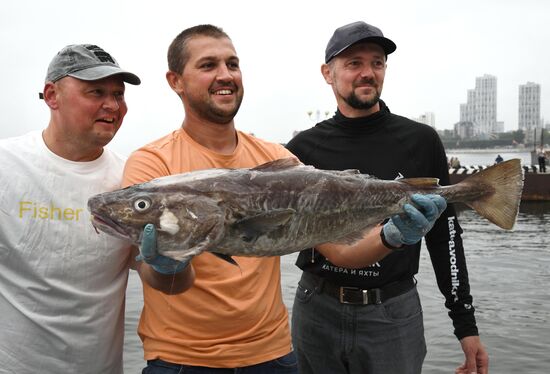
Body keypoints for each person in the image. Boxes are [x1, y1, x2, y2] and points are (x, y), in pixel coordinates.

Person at [123, 24, 444, 373]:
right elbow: (158, 279)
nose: (225, 75)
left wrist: (393, 237)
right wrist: (168, 264)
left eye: (232, 64)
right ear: (176, 81)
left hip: (272, 355)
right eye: (208, 65)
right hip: (182, 360)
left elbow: (340, 251)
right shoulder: (152, 166)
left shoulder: (279, 160)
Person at [286, 21, 489, 374]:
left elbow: (446, 238)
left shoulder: (421, 141)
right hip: (316, 307)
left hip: (393, 314)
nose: (367, 73)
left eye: (377, 62)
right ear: (327, 73)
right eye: (354, 63)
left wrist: (465, 325)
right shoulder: (302, 150)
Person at [0, 44, 141, 373]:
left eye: (119, 94)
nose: (112, 105)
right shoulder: (6, 165)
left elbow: (154, 273)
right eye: (96, 91)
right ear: (52, 95)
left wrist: (171, 260)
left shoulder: (129, 180)